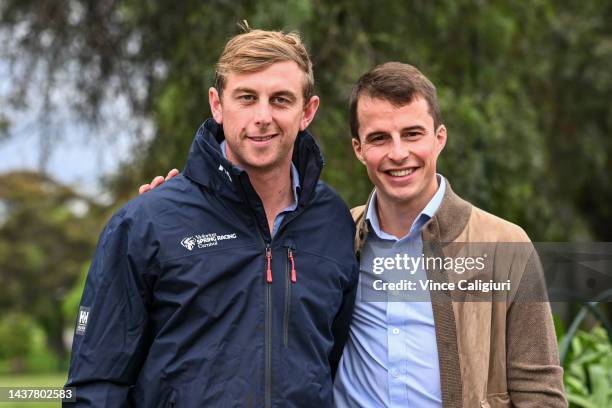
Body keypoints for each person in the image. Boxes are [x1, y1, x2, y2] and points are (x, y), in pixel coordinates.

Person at [142, 63, 567, 407]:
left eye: (412, 134)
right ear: (358, 149)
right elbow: (254, 257)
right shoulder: (332, 235)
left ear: (440, 139)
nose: (398, 153)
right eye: (379, 138)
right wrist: (183, 208)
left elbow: (540, 391)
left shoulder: (504, 246)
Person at [64, 28, 358, 407]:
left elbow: (336, 366)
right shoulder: (145, 223)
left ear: (307, 112)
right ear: (218, 105)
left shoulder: (334, 222)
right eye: (247, 98)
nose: (263, 117)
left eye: (281, 100)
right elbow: (95, 385)